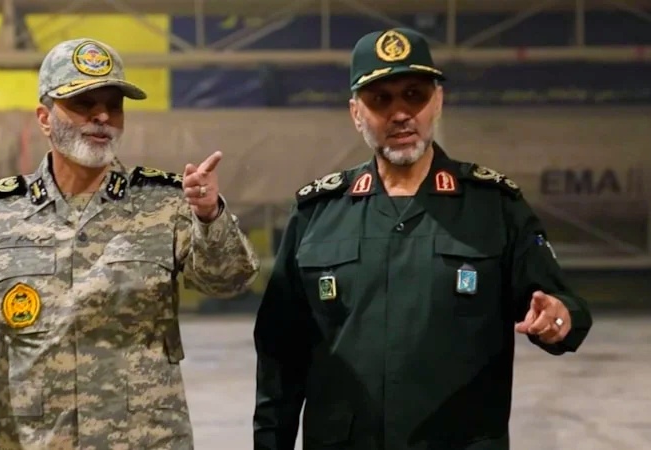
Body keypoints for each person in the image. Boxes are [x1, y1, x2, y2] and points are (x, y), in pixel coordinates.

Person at [252, 27, 593, 450]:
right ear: (356, 113)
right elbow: (279, 353)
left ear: (438, 102)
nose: (400, 113)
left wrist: (558, 318)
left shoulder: (495, 207)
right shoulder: (317, 214)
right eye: (381, 99)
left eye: (414, 95)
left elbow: (563, 306)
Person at [0, 38, 260, 449]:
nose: (102, 117)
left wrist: (209, 216)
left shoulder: (164, 204)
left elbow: (229, 281)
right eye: (83, 104)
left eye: (113, 106)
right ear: (44, 118)